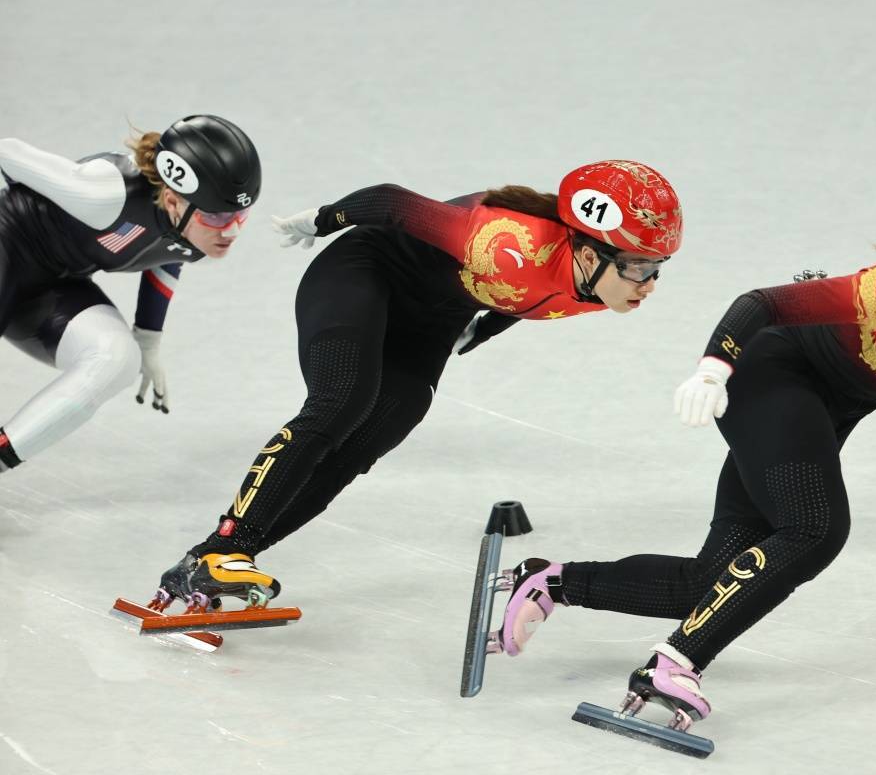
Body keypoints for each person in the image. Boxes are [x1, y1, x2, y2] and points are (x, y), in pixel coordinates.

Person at [490, 172, 876, 737]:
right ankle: (673, 666)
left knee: (710, 586)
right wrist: (713, 371)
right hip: (772, 381)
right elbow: (761, 302)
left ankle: (549, 583)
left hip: (824, 413)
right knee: (815, 529)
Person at [149, 160, 684, 613]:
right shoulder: (503, 241)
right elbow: (392, 202)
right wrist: (321, 220)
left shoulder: (599, 287)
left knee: (377, 431)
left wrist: (481, 329)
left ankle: (212, 561)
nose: (651, 285)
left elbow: (532, 299)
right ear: (589, 254)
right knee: (342, 401)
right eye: (639, 268)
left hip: (433, 319)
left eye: (659, 269)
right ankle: (227, 546)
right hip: (364, 273)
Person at [0, 115, 260, 471]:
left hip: (53, 286)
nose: (231, 231)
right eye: (216, 217)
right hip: (7, 240)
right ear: (172, 200)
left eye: (241, 214)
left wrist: (148, 339)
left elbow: (167, 255)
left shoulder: (197, 231)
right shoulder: (105, 193)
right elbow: (9, 152)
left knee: (117, 359)